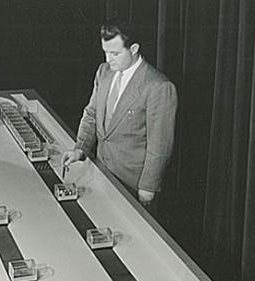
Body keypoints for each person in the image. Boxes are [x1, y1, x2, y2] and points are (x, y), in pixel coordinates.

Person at [62, 20, 177, 206]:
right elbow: (91, 114)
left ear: (134, 49)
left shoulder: (159, 87)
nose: (108, 59)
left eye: (114, 53)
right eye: (105, 52)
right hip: (101, 172)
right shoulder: (104, 71)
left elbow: (160, 145)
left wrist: (147, 188)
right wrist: (80, 148)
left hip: (133, 184)